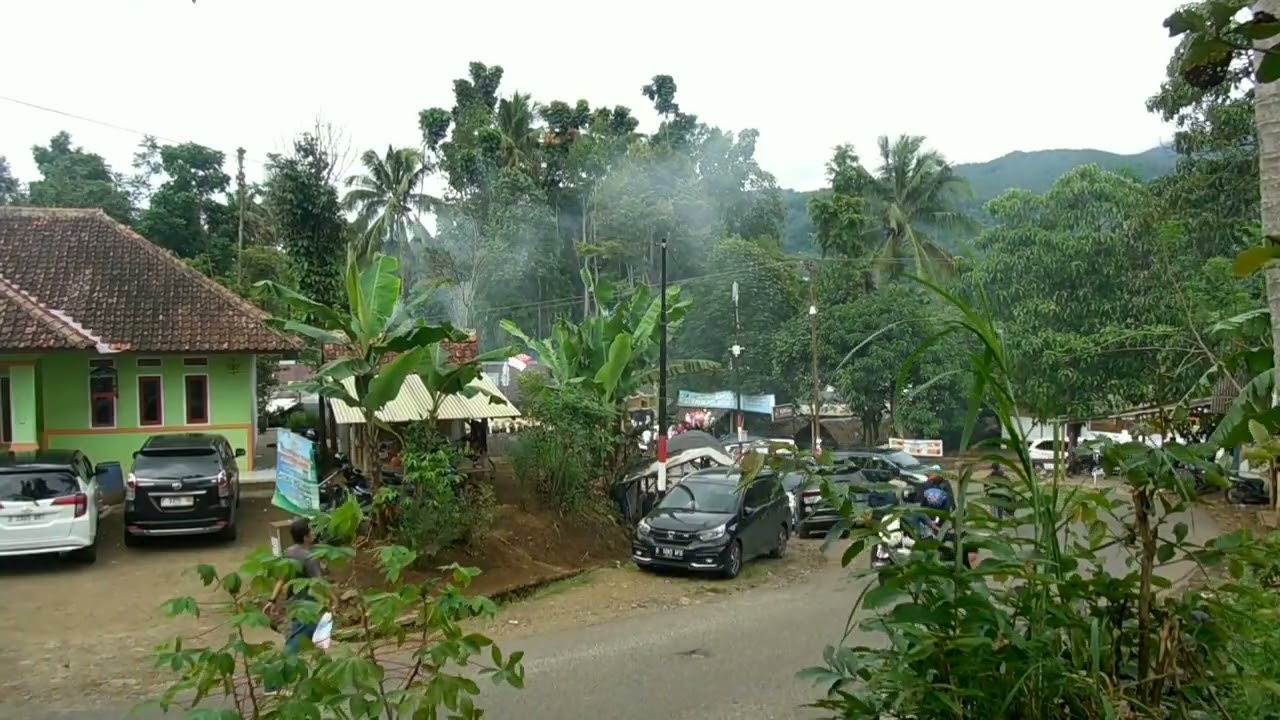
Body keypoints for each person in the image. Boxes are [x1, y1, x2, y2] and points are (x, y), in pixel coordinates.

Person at [264, 516, 325, 654]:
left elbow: (282, 579)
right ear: (306, 537)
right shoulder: (310, 557)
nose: (314, 533)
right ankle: (286, 662)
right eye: (311, 531)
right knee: (301, 636)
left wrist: (272, 600)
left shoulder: (288, 552)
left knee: (301, 633)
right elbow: (319, 583)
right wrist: (333, 599)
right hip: (309, 603)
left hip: (293, 602)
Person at [918, 474, 978, 569]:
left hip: (936, 513)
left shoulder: (931, 488)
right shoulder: (937, 487)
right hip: (939, 514)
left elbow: (923, 506)